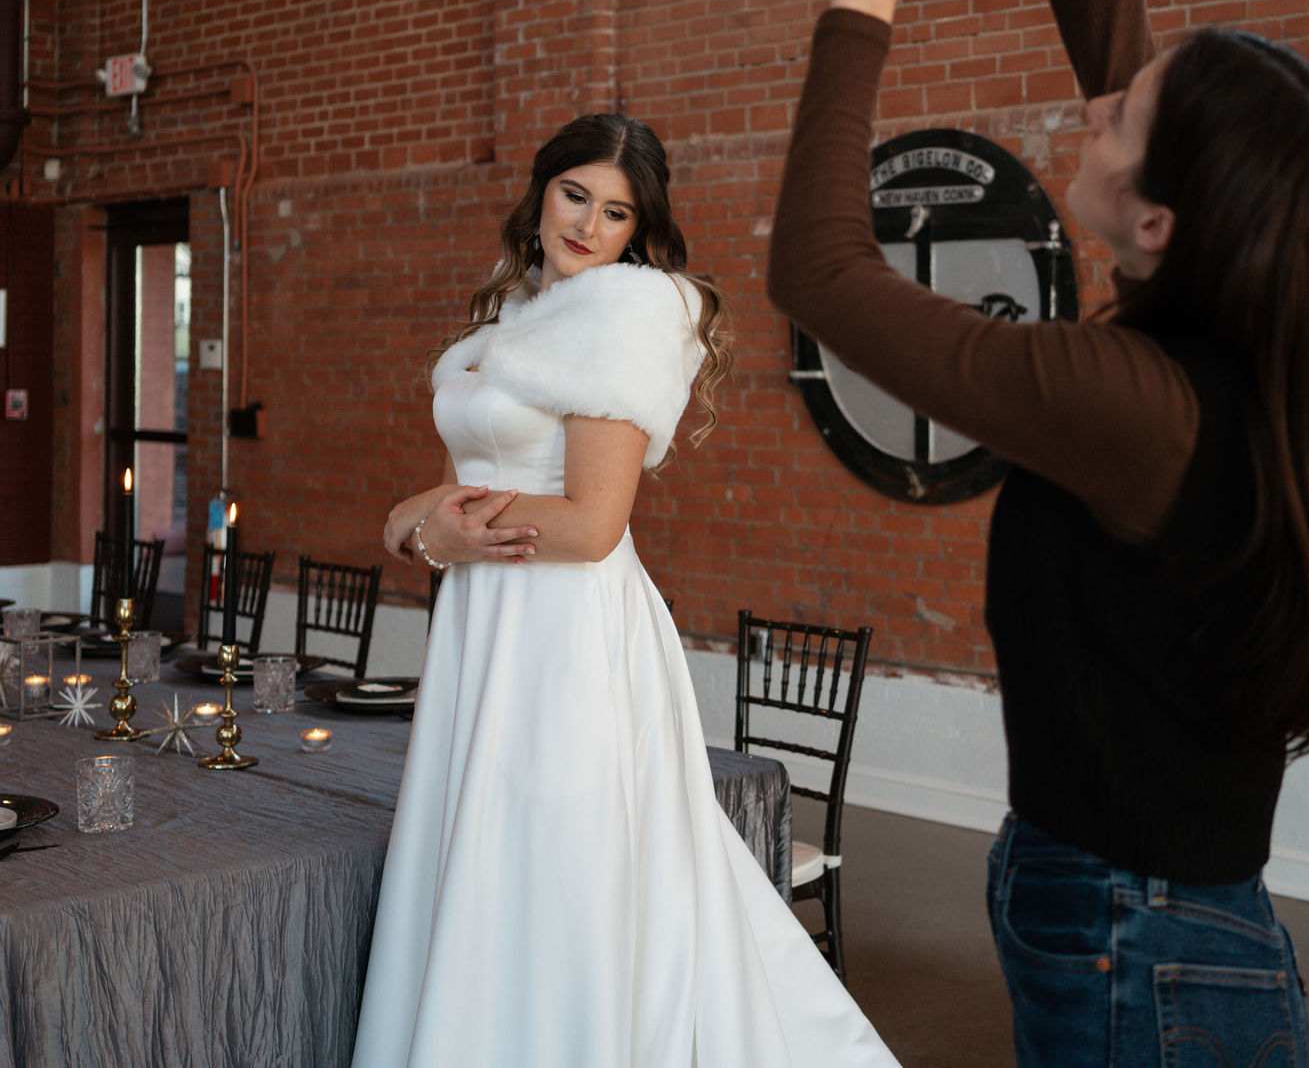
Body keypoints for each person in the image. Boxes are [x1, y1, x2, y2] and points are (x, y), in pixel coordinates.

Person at [770, 0, 1309, 1066]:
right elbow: (1121, 39)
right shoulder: (1269, 371)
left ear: (1171, 221)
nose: (1093, 106)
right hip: (1156, 923)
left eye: (1125, 115)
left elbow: (821, 274)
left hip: (1143, 942)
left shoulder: (1138, 406)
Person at [353, 113, 900, 1067]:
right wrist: (425, 525)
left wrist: (438, 527)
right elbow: (458, 490)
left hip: (566, 628)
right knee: (485, 857)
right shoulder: (516, 315)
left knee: (557, 865)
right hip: (489, 617)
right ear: (542, 192)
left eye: (615, 213)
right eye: (575, 195)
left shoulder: (625, 315)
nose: (587, 225)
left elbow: (592, 525)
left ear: (636, 233)